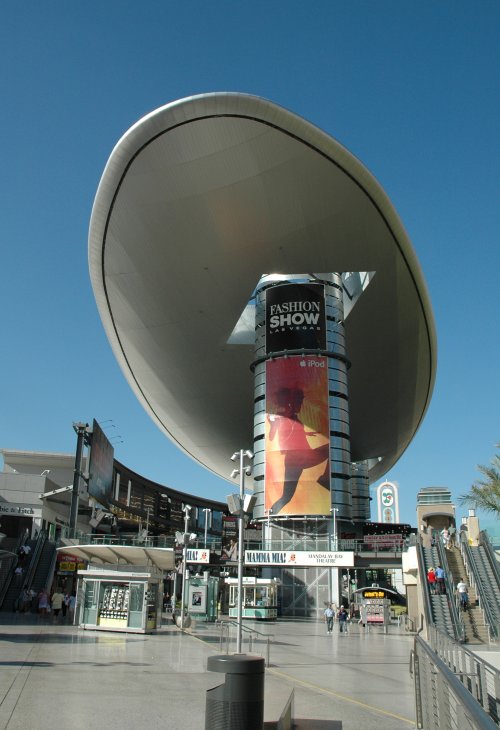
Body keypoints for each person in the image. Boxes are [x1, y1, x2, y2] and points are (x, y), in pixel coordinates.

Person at [268, 387, 329, 515]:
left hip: (296, 458)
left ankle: (271, 513)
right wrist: (273, 426)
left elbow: (290, 433)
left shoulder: (291, 417)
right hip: (299, 457)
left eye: (301, 401)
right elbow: (273, 436)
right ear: (292, 401)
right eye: (299, 401)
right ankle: (324, 479)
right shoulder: (283, 415)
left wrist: (307, 433)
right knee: (331, 448)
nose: (301, 405)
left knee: (286, 496)